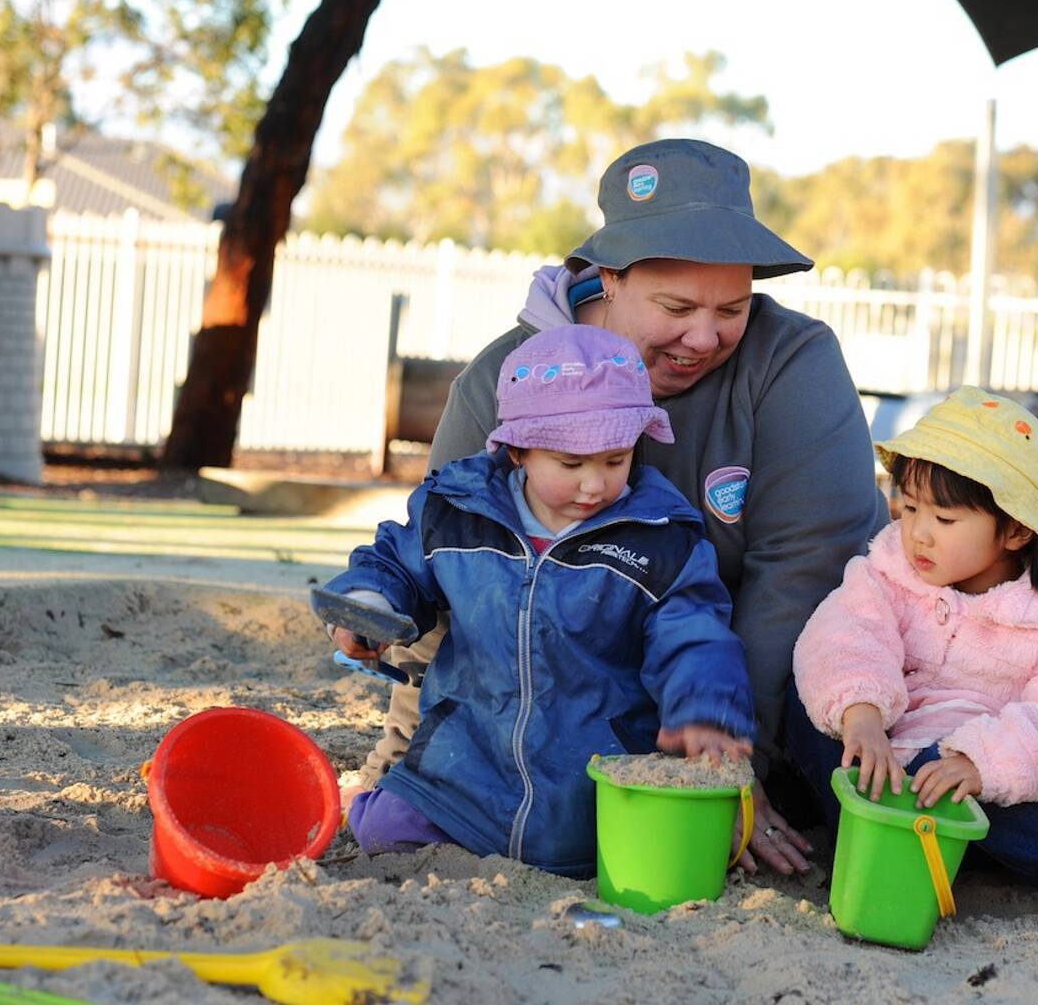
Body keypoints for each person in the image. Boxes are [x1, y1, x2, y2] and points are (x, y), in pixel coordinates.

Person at [357, 137, 1038, 874]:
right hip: (583, 687)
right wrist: (405, 754)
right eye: (677, 306)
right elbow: (455, 565)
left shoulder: (789, 361)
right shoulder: (504, 381)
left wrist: (739, 766)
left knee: (875, 790)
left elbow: (806, 575)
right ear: (606, 278)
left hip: (761, 675)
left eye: (730, 307)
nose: (707, 335)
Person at [322, 324, 755, 876]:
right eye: (571, 465)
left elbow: (696, 631)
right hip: (467, 764)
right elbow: (393, 563)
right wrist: (366, 606)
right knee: (382, 828)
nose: (594, 485)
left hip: (592, 776)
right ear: (519, 451)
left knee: (644, 858)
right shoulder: (458, 511)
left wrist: (705, 709)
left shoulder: (658, 538)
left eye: (615, 459)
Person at [793, 388, 1038, 933]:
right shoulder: (887, 570)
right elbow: (847, 634)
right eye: (908, 508)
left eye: (945, 520)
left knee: (1004, 786)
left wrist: (980, 764)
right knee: (812, 695)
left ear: (1017, 529)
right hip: (881, 762)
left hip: (971, 794)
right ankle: (865, 840)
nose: (917, 533)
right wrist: (860, 713)